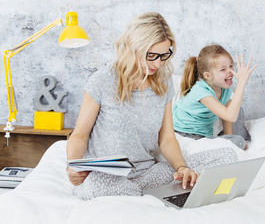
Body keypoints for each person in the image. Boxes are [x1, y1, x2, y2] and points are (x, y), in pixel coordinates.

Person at [66, 13, 237, 200]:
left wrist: (182, 168)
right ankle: (152, 197)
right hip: (108, 178)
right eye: (152, 56)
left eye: (164, 55)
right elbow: (80, 135)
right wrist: (73, 166)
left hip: (148, 175)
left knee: (226, 157)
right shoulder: (102, 80)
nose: (158, 63)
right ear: (134, 48)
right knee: (97, 185)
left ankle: (147, 196)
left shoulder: (163, 80)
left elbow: (166, 137)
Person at [173, 45, 256, 150]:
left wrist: (229, 139)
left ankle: (233, 141)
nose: (230, 71)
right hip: (185, 134)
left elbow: (227, 117)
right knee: (237, 138)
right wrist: (241, 83)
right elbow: (230, 116)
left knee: (236, 109)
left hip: (204, 134)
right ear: (207, 76)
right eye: (223, 69)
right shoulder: (201, 91)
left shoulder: (224, 88)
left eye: (231, 66)